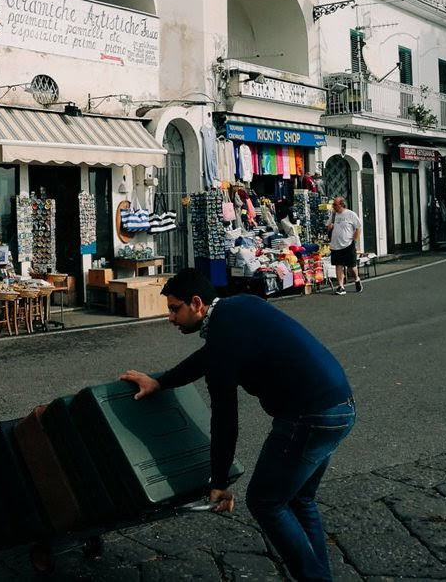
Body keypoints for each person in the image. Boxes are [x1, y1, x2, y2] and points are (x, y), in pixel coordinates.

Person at [120, 269, 355, 582]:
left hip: (309, 418)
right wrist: (160, 381)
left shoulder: (224, 333)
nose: (171, 318)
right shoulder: (239, 307)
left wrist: (219, 481)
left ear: (196, 303)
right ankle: (318, 575)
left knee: (266, 502)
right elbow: (208, 357)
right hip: (340, 407)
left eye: (175, 309)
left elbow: (225, 417)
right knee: (298, 498)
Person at [326, 196, 362, 295]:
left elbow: (358, 227)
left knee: (351, 267)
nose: (333, 206)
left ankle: (357, 279)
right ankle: (341, 286)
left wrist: (355, 238)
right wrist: (329, 227)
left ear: (341, 205)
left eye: (335, 204)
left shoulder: (350, 214)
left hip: (348, 244)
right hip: (335, 245)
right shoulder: (333, 215)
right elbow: (328, 227)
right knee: (338, 265)